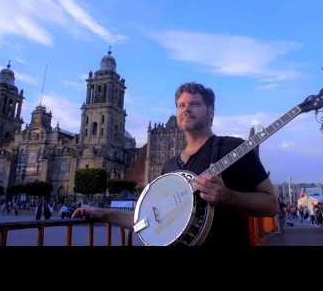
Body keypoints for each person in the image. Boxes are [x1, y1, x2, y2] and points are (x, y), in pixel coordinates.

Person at [72, 82, 279, 246]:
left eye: (195, 104)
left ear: (210, 111)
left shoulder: (232, 148)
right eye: (182, 105)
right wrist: (102, 213)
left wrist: (228, 196)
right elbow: (150, 220)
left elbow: (271, 205)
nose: (186, 109)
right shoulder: (170, 167)